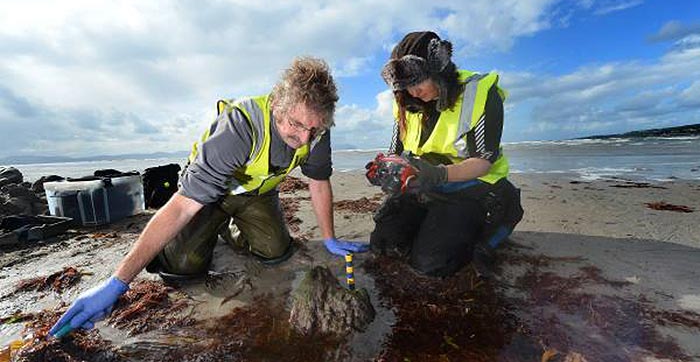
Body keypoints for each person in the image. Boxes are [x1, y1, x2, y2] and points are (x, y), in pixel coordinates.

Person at [49, 57, 368, 336]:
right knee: (182, 267)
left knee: (276, 252)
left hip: (256, 195)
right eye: (296, 125)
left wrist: (329, 238)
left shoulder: (316, 131)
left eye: (313, 130)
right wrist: (119, 281)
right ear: (276, 105)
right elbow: (183, 206)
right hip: (208, 195)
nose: (304, 139)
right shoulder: (240, 126)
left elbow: (318, 180)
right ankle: (209, 228)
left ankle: (230, 230)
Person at [368, 31, 524, 277]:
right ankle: (433, 222)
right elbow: (395, 152)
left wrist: (438, 175)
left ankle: (503, 212)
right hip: (427, 189)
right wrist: (388, 172)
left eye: (418, 82)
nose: (413, 92)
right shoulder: (407, 103)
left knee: (431, 264)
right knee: (385, 244)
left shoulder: (479, 93)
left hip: (473, 189)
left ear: (439, 69)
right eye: (405, 86)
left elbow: (484, 161)